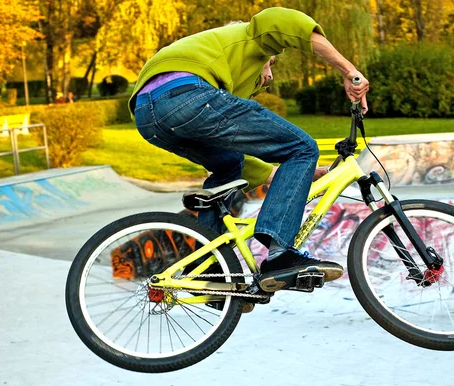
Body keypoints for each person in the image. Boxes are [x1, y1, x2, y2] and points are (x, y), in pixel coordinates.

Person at [129, 7, 370, 292]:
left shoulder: (217, 67)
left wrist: (300, 172)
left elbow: (242, 158)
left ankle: (207, 269)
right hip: (187, 94)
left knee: (228, 165)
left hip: (148, 115)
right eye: (272, 66)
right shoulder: (249, 36)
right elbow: (290, 23)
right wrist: (350, 72)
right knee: (302, 146)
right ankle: (280, 253)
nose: (269, 78)